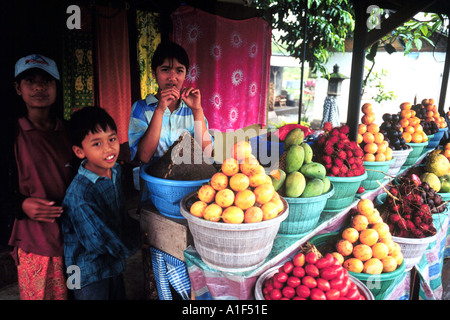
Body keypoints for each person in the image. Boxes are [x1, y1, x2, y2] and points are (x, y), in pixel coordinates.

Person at [4, 54, 74, 300]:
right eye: (30, 81)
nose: (38, 87)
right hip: (35, 244)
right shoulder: (11, 134)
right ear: (17, 88)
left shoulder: (70, 131)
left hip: (74, 238)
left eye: (46, 81)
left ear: (56, 86)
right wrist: (20, 205)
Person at [61, 106, 139, 300]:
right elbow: (100, 241)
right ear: (80, 151)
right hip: (85, 271)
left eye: (112, 139)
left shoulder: (115, 172)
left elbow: (120, 212)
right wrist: (139, 240)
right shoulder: (80, 195)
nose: (108, 149)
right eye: (97, 144)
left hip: (111, 262)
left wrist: (135, 228)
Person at [128, 41, 213, 164]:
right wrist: (160, 110)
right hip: (153, 180)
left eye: (179, 71)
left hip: (186, 180)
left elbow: (206, 154)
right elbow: (144, 157)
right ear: (153, 73)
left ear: (185, 75)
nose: (172, 77)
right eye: (165, 70)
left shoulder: (192, 109)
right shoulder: (141, 108)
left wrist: (197, 110)